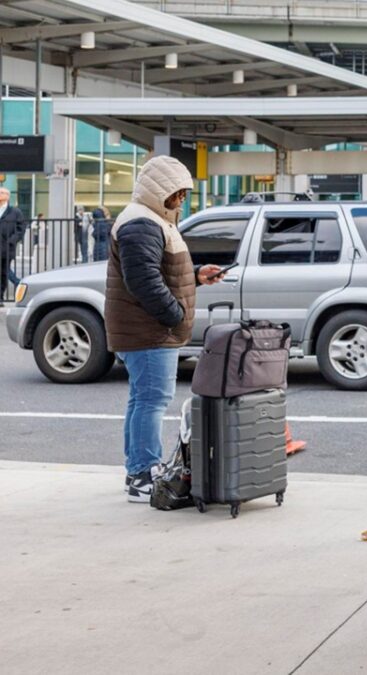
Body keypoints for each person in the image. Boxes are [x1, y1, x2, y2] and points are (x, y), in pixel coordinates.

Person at [104, 156, 227, 502]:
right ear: (161, 190)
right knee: (152, 401)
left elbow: (160, 271)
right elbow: (144, 281)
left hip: (147, 328)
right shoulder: (141, 224)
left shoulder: (153, 220)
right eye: (179, 192)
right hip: (149, 330)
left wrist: (198, 275)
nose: (183, 199)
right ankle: (143, 477)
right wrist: (174, 316)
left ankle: (138, 471)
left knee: (142, 399)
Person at [0, 187, 29, 305]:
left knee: (3, 273)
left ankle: (0, 297)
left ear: (7, 196)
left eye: (1, 193)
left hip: (6, 248)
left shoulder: (15, 212)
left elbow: (21, 228)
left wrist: (12, 241)